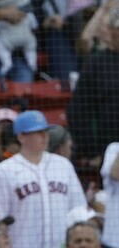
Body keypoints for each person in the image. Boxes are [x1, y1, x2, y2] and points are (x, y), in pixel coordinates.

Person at [0, 110, 88, 248]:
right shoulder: (5, 171)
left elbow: (78, 213)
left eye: (45, 131)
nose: (44, 136)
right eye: (38, 132)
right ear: (21, 137)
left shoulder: (63, 165)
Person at [65, 5, 119, 162]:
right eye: (115, 28)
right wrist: (92, 151)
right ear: (110, 30)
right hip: (109, 151)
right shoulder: (96, 63)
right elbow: (78, 111)